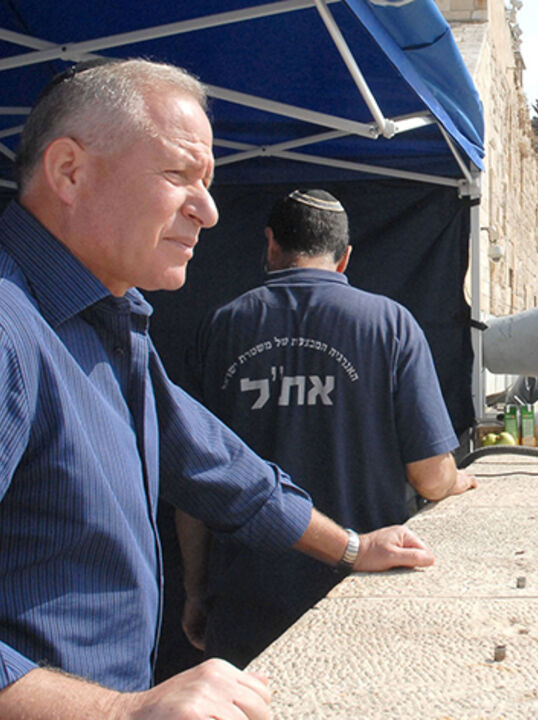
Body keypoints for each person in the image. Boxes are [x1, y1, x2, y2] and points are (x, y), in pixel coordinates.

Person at [0, 58, 434, 719]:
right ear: (69, 171)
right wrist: (118, 712)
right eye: (179, 176)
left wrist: (351, 546)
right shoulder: (9, 331)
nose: (207, 211)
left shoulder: (108, 323)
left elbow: (221, 470)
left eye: (207, 182)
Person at [178, 188, 477, 666]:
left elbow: (193, 479)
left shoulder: (220, 328)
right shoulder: (390, 325)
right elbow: (429, 476)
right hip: (360, 593)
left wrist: (195, 587)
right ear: (345, 258)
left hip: (245, 600)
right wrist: (456, 478)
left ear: (272, 245)